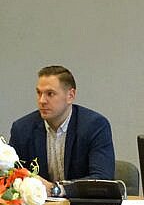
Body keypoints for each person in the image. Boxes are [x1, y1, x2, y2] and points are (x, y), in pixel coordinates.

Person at [9, 65, 115, 196]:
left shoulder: (94, 126)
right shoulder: (22, 129)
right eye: (39, 93)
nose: (42, 100)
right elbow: (10, 175)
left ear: (70, 95)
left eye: (50, 94)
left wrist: (56, 189)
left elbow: (102, 180)